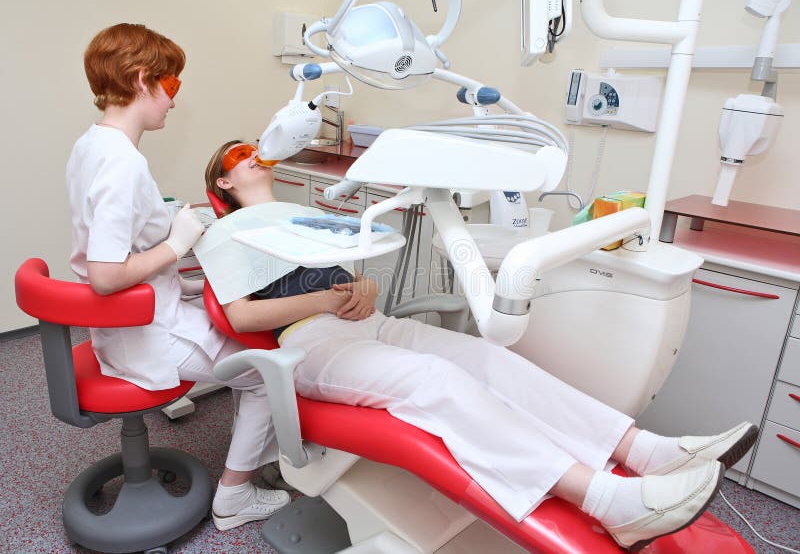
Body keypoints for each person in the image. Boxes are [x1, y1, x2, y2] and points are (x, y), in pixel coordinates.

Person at [201, 140, 760, 551]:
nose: (253, 154)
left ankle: (644, 452)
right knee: (435, 382)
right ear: (223, 184)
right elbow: (240, 314)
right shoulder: (226, 233)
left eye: (256, 147)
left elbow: (347, 279)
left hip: (367, 322)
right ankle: (604, 500)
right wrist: (323, 304)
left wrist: (365, 287)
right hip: (312, 345)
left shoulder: (304, 217)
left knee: (488, 356)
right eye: (238, 154)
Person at [66, 24, 292, 532]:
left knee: (245, 349)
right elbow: (104, 275)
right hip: (143, 334)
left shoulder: (91, 146)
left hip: (129, 319)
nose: (172, 102)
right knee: (268, 373)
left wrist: (176, 272)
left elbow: (115, 248)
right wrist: (176, 244)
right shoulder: (121, 162)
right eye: (172, 87)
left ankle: (253, 455)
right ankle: (234, 497)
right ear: (143, 79)